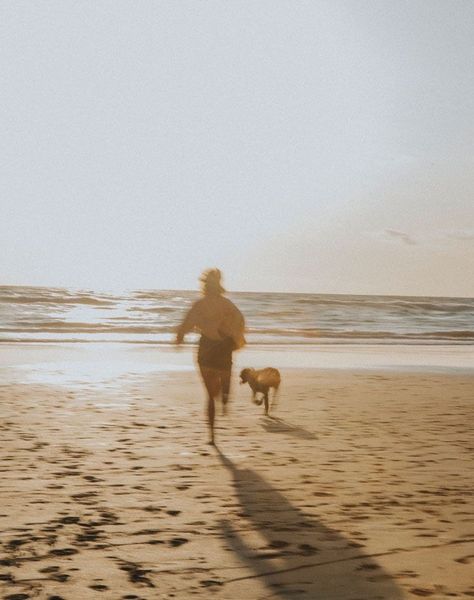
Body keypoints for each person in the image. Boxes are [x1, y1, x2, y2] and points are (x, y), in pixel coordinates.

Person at [176, 269, 245, 445]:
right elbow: (240, 322)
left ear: (205, 285)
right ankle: (225, 393)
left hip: (206, 348)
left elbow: (186, 324)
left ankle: (212, 436)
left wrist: (180, 338)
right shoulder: (227, 304)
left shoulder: (200, 305)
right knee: (223, 381)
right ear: (219, 284)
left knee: (210, 395)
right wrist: (236, 340)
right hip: (222, 348)